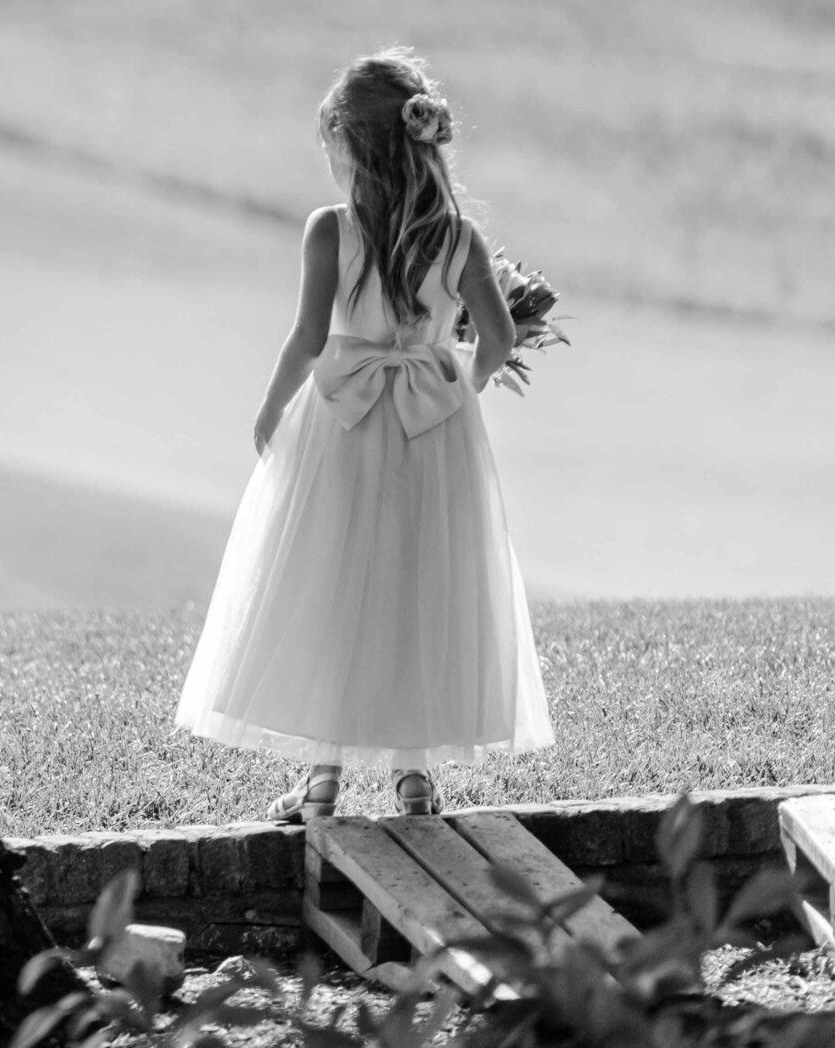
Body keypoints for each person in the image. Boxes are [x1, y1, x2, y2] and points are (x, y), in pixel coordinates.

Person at [174, 46, 553, 819]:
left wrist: (270, 408)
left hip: (340, 426)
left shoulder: (329, 231)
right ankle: (414, 777)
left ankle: (321, 779)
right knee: (419, 585)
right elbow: (496, 339)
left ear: (350, 145)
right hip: (430, 433)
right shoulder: (457, 238)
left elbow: (309, 338)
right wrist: (451, 390)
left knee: (332, 581)